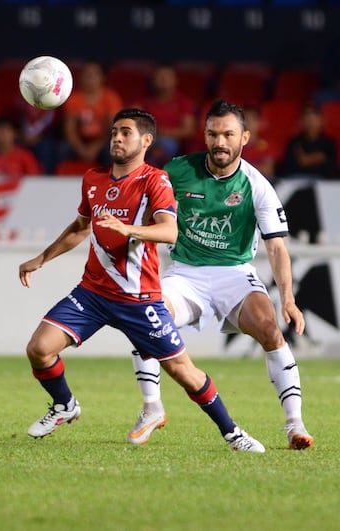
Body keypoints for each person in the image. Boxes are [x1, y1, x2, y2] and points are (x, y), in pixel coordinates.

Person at [18, 108, 264, 453]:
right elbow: (79, 228)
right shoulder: (93, 178)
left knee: (183, 372)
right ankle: (65, 405)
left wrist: (129, 229)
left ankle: (233, 432)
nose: (117, 138)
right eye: (114, 132)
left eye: (126, 133)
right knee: (39, 349)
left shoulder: (155, 181)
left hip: (139, 299)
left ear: (146, 141)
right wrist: (41, 259)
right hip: (92, 293)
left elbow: (169, 230)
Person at [128, 100, 314, 451]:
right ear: (205, 135)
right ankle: (152, 407)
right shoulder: (177, 171)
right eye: (213, 134)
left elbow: (276, 248)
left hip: (234, 273)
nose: (220, 142)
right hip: (185, 273)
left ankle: (295, 424)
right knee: (145, 317)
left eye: (228, 134)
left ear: (244, 136)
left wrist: (288, 299)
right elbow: (149, 216)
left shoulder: (256, 185)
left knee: (270, 329)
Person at [57, 61, 123, 169]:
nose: (90, 78)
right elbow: (70, 129)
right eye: (87, 74)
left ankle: (115, 182)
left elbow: (113, 129)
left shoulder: (111, 98)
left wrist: (96, 147)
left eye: (94, 74)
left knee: (114, 150)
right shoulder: (73, 99)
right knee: (62, 149)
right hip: (80, 140)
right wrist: (81, 149)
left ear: (103, 77)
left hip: (103, 141)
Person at [133, 63, 197, 167]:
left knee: (167, 145)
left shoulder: (184, 102)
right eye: (159, 76)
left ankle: (153, 174)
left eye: (167, 76)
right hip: (148, 138)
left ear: (176, 80)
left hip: (171, 140)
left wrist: (164, 132)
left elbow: (188, 130)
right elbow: (132, 122)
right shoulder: (143, 102)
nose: (163, 80)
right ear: (152, 80)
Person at [279, 103, 337, 180]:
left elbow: (330, 169)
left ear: (321, 120)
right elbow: (288, 168)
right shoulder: (294, 142)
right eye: (307, 117)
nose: (310, 121)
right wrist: (317, 158)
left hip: (323, 184)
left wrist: (306, 160)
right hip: (296, 181)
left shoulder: (329, 143)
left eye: (313, 117)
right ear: (301, 121)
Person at [242, 106, 276, 182]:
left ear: (258, 122)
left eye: (252, 120)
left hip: (261, 182)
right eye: (245, 120)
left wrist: (244, 169)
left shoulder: (266, 145)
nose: (248, 123)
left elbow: (268, 170)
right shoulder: (234, 145)